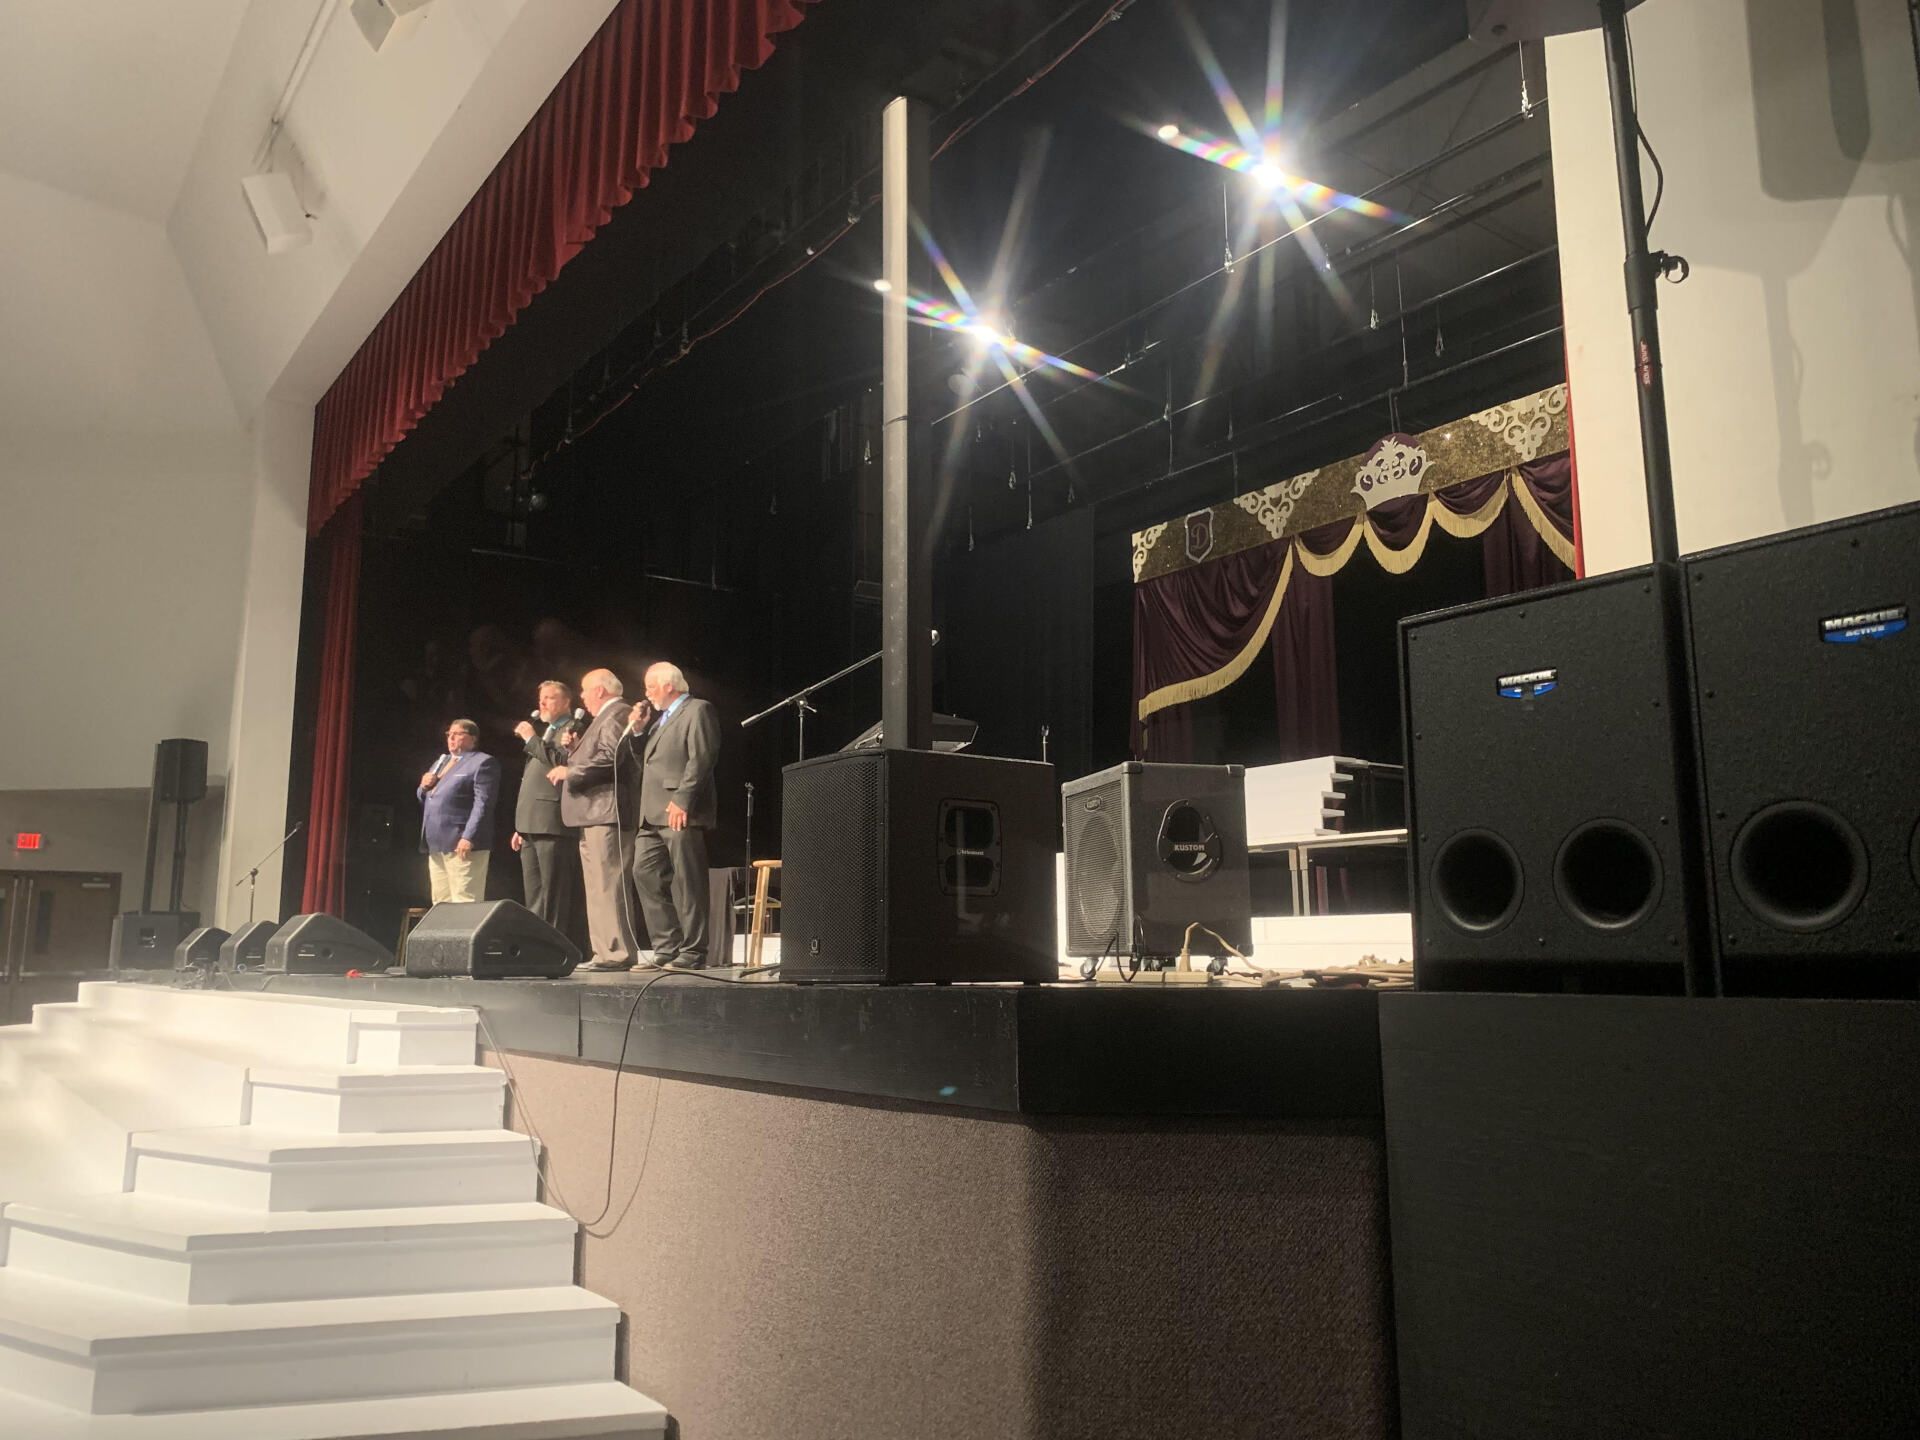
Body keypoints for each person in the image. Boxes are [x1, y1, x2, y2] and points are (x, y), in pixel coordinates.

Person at [629, 662, 722, 970]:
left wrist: (683, 799)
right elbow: (648, 761)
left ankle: (694, 952)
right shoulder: (659, 720)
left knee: (688, 882)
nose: (646, 694)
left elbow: (702, 758)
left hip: (680, 811)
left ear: (668, 685)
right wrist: (638, 732)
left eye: (650, 686)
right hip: (651, 814)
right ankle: (666, 947)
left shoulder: (697, 710)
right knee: (644, 872)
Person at [553, 669, 640, 971]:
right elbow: (599, 754)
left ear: (600, 690)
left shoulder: (618, 713)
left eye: (584, 690)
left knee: (609, 884)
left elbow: (611, 757)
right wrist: (572, 750)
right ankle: (604, 952)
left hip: (607, 811)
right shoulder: (604, 717)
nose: (582, 697)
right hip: (593, 812)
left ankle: (617, 953)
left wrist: (571, 771)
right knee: (597, 887)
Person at [510, 680, 578, 930]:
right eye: (541, 698)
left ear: (566, 702)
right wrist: (521, 825)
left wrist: (531, 738)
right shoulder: (547, 732)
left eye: (550, 697)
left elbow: (560, 761)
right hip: (531, 823)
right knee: (534, 893)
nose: (542, 702)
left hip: (553, 822)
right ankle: (536, 943)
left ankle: (556, 946)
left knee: (554, 893)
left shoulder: (573, 728)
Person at [417, 719, 500, 903]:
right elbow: (426, 797)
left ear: (473, 738)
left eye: (458, 734)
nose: (451, 737)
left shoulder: (482, 762)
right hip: (436, 843)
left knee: (465, 900)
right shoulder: (442, 761)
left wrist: (469, 836)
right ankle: (444, 933)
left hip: (462, 843)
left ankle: (463, 934)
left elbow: (483, 803)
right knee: (440, 902)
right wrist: (423, 787)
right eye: (449, 734)